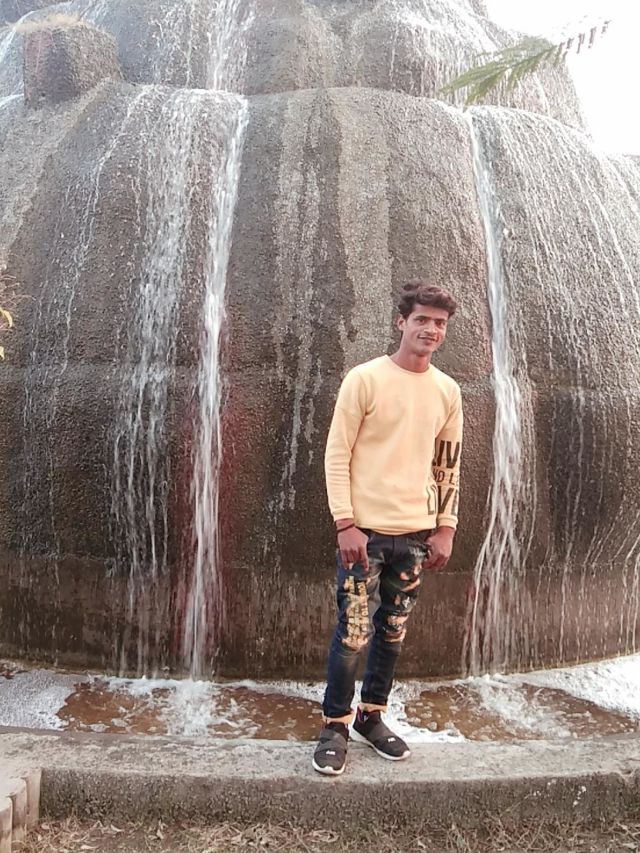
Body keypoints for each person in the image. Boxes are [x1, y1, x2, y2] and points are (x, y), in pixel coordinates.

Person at [312, 282, 463, 776]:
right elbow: (337, 453)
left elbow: (447, 466)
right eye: (422, 319)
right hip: (365, 537)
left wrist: (445, 527)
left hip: (416, 537)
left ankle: (371, 716)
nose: (430, 329)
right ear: (401, 322)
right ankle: (335, 724)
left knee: (393, 632)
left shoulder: (447, 391)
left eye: (439, 323)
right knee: (354, 632)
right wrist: (345, 524)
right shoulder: (365, 379)